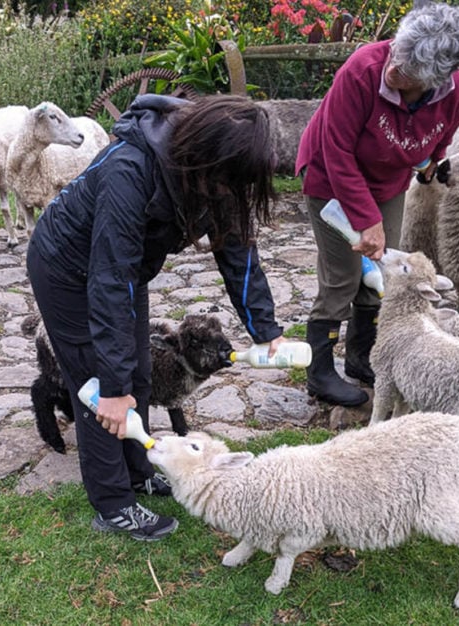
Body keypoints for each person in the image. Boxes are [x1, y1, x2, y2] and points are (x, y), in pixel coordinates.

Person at [26, 94, 286, 541]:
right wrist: (112, 387)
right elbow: (109, 280)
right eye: (233, 181)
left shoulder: (215, 177)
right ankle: (112, 503)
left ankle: (138, 469)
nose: (233, 193)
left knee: (139, 373)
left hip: (123, 269)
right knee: (99, 391)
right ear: (209, 156)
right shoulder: (130, 170)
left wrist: (266, 331)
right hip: (66, 267)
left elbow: (238, 250)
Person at [295, 3, 459, 406]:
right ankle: (320, 371)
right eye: (398, 52)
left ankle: (362, 358)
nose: (394, 68)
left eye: (408, 68)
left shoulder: (458, 92)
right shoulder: (362, 71)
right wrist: (366, 221)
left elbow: (439, 135)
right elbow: (336, 150)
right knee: (342, 275)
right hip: (330, 178)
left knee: (381, 271)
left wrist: (433, 160)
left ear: (436, 79)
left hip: (388, 180)